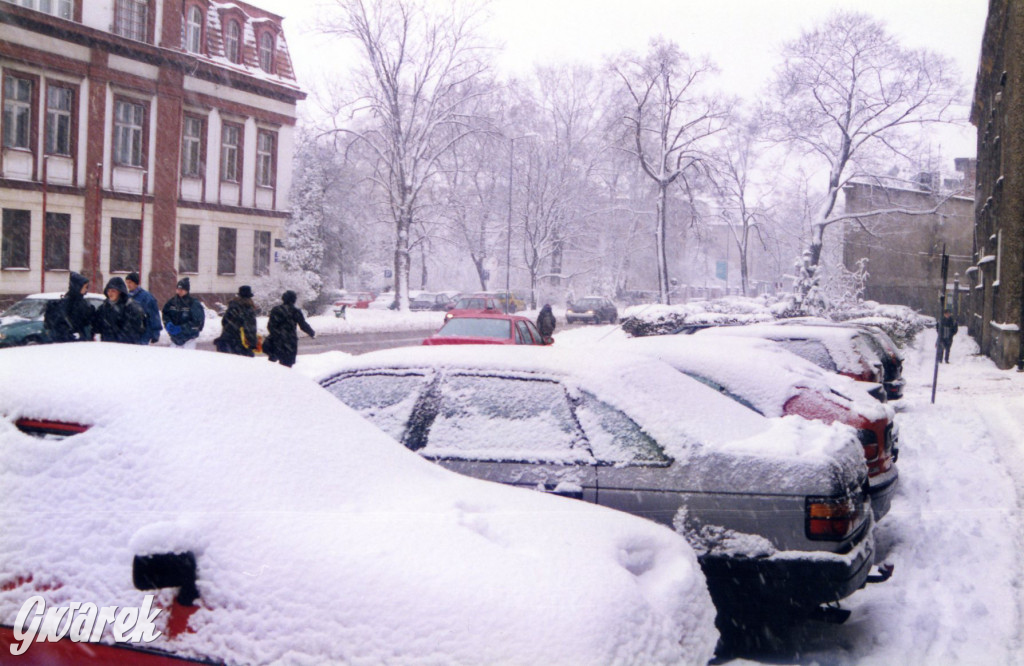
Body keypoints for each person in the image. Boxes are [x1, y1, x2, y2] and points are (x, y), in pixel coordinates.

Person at [264, 290, 315, 367]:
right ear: (294, 300)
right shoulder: (295, 311)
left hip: (276, 342)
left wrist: (276, 335)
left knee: (273, 366)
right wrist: (311, 332)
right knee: (287, 365)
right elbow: (303, 325)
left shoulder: (276, 310)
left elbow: (270, 326)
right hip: (290, 342)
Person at [93, 277, 147, 344]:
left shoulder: (130, 307)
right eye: (108, 291)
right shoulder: (104, 307)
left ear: (120, 292)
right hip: (106, 345)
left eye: (113, 291)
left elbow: (133, 330)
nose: (110, 293)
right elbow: (97, 326)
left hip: (125, 346)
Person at [44, 271, 95, 342]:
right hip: (69, 342)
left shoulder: (81, 302)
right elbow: (61, 324)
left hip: (78, 341)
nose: (86, 290)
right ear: (78, 287)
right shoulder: (69, 303)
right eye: (85, 287)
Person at [162, 277, 205, 350]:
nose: (180, 291)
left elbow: (198, 323)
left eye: (182, 289)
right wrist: (168, 324)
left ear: (187, 290)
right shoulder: (171, 302)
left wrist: (182, 328)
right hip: (174, 340)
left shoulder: (193, 304)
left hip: (188, 340)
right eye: (178, 289)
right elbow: (165, 314)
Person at [215, 285, 258, 356]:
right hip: (239, 345)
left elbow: (224, 322)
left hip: (226, 342)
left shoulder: (231, 307)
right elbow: (250, 329)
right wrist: (252, 344)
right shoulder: (248, 309)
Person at [125, 272, 162, 345]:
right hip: (130, 333)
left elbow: (154, 315)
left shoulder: (146, 297)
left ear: (136, 283)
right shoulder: (127, 297)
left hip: (143, 333)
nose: (128, 285)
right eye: (127, 282)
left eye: (130, 282)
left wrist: (155, 333)